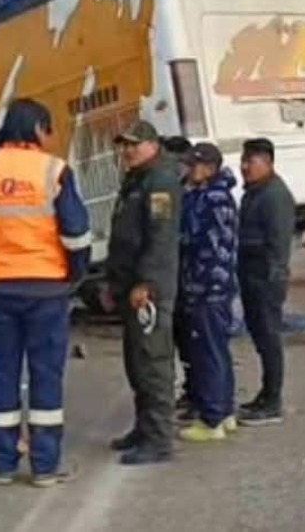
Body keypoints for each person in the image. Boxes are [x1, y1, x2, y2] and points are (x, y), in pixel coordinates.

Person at [0, 99, 92, 487]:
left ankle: (3, 463)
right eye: (48, 130)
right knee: (46, 375)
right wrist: (74, 275)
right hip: (46, 289)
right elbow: (77, 233)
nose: (50, 139)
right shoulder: (54, 171)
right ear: (38, 129)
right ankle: (45, 466)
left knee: (2, 375)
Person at [105, 120, 184, 465]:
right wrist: (113, 282)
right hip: (130, 287)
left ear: (152, 144)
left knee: (153, 363)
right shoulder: (136, 179)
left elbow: (161, 237)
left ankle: (158, 439)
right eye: (123, 146)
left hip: (148, 291)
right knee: (136, 362)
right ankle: (143, 428)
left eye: (133, 145)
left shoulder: (160, 182)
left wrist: (146, 283)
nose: (126, 151)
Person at [176, 142, 240, 442]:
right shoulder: (220, 196)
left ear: (209, 168)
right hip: (217, 285)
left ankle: (211, 417)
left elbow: (189, 236)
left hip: (206, 286)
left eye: (193, 165)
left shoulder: (208, 199)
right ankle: (225, 411)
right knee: (218, 350)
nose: (188, 170)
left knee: (208, 353)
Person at [236, 137, 296, 426]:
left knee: (269, 337)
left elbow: (278, 243)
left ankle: (273, 401)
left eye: (252, 161)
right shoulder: (254, 192)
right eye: (244, 160)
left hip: (265, 278)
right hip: (251, 274)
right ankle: (265, 394)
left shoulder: (274, 195)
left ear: (268, 162)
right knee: (260, 337)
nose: (245, 167)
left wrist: (271, 279)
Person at [161, 135, 195, 415]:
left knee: (192, 341)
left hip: (187, 279)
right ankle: (189, 392)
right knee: (180, 340)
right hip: (176, 277)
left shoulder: (191, 193)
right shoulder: (173, 189)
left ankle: (197, 396)